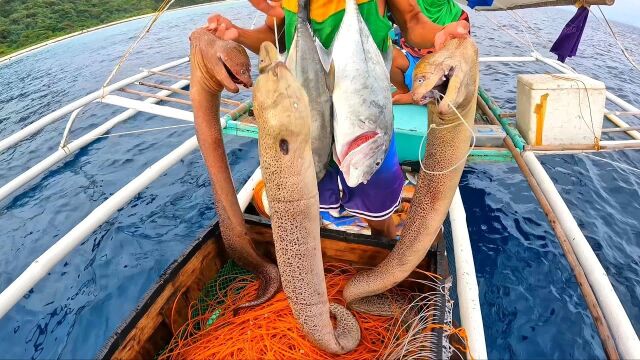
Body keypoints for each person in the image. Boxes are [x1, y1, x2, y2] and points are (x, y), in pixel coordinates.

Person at [203, 0, 469, 239]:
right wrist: (239, 34)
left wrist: (439, 34)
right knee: (314, 203)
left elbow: (412, 21)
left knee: (379, 212)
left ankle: (383, 248)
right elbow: (281, 37)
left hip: (366, 123)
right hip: (311, 123)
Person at [390, 0, 470, 104]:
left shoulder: (460, 15)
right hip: (412, 63)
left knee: (457, 72)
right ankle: (404, 90)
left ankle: (416, 95)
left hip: (440, 72)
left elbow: (462, 54)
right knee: (390, 54)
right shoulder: (410, 5)